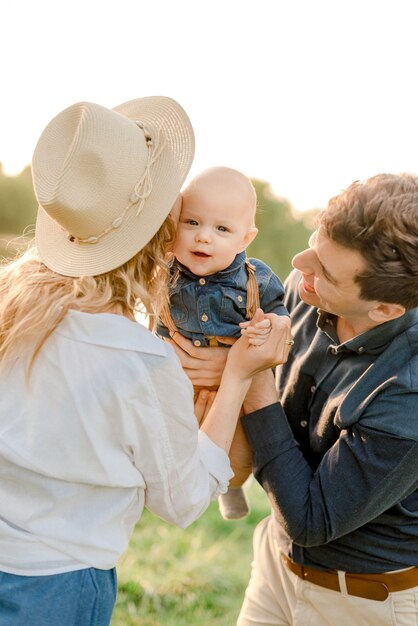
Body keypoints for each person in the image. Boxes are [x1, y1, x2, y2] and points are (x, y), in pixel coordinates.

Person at [0, 97, 293, 626]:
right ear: (163, 230)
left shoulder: (14, 309)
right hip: (59, 582)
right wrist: (236, 379)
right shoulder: (135, 359)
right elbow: (180, 503)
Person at [168, 173, 418, 625]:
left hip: (364, 602)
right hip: (275, 565)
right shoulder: (307, 289)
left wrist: (248, 379)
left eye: (325, 270)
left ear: (384, 310)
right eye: (312, 244)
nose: (300, 263)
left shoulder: (408, 395)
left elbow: (310, 519)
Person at [157, 166, 289, 519]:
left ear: (245, 239)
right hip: (178, 379)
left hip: (234, 380)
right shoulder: (165, 269)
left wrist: (269, 325)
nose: (203, 238)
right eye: (192, 223)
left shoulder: (254, 278)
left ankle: (231, 487)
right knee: (176, 437)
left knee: (238, 444)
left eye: (222, 229)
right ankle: (178, 481)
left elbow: (280, 315)